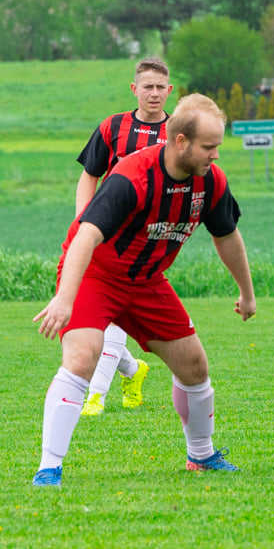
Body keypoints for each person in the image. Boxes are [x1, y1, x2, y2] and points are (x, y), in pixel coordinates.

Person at [32, 93, 256, 487]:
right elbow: (86, 236)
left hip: (147, 282)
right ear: (181, 142)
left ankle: (201, 455)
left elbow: (228, 236)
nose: (216, 155)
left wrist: (247, 292)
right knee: (83, 357)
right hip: (96, 275)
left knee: (194, 367)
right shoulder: (132, 177)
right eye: (209, 146)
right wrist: (65, 298)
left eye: (218, 146)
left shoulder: (211, 182)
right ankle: (49, 467)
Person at [75, 57, 175, 416]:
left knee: (113, 316)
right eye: (146, 86)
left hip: (149, 242)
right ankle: (133, 370)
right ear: (135, 89)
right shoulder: (113, 126)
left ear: (170, 91)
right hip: (106, 232)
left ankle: (95, 397)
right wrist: (83, 223)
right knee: (104, 314)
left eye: (160, 87)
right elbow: (90, 173)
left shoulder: (178, 131)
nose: (153, 93)